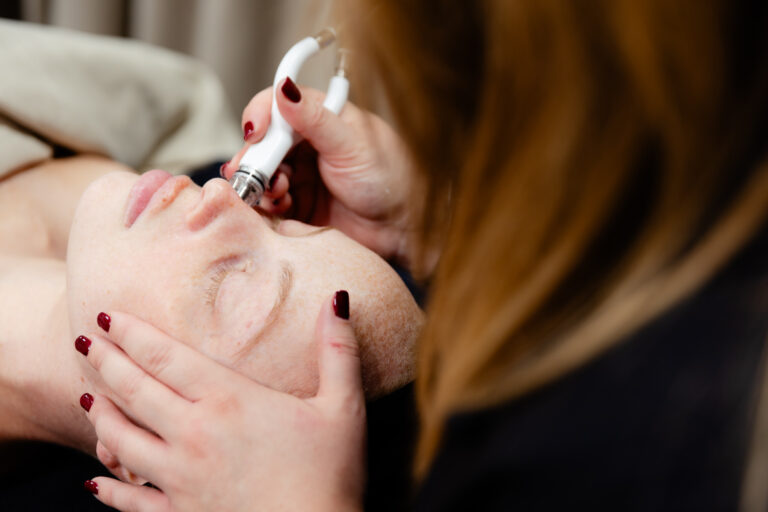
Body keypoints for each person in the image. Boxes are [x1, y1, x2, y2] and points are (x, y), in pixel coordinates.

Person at [76, 0, 768, 510]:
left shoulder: (644, 452)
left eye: (235, 290)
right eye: (296, 231)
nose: (221, 199)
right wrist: (439, 224)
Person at [0, 155, 422, 467]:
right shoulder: (170, 139)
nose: (221, 193)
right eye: (285, 225)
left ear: (143, 453)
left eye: (232, 285)